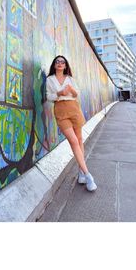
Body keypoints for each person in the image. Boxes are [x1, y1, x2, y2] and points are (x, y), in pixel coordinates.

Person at [46, 55, 97, 192]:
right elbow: (48, 96)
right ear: (54, 65)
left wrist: (72, 90)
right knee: (74, 141)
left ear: (66, 65)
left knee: (79, 139)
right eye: (57, 62)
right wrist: (59, 92)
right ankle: (88, 175)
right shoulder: (50, 79)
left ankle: (81, 172)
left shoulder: (70, 79)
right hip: (60, 110)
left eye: (62, 62)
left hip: (74, 108)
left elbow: (76, 94)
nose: (60, 63)